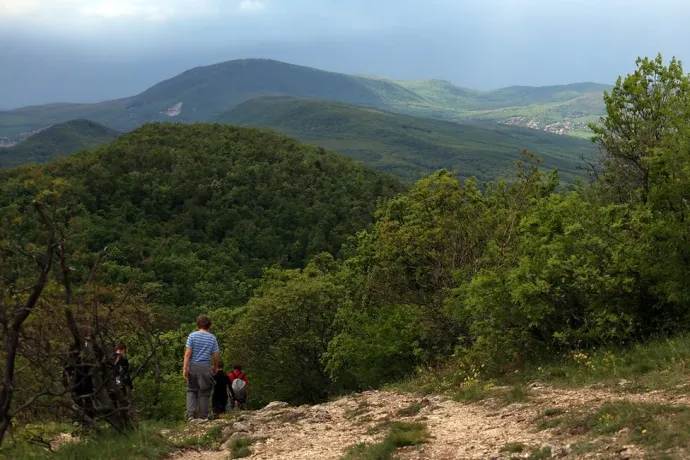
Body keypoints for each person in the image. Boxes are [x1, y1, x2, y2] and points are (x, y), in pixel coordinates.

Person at [183, 314, 220, 421]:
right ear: (209, 325)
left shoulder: (192, 336)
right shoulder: (212, 338)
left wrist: (185, 368)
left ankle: (190, 416)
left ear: (198, 324)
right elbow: (216, 354)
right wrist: (215, 367)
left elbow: (187, 353)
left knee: (191, 390)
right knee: (204, 392)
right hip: (205, 368)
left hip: (193, 367)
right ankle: (203, 417)